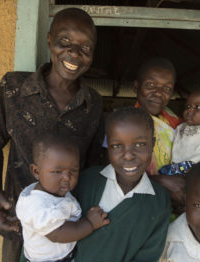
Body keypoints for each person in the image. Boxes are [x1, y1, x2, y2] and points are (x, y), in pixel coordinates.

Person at [0, 8, 103, 262]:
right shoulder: (13, 87)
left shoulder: (93, 103)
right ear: (49, 40)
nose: (74, 54)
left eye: (85, 47)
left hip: (68, 231)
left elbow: (91, 166)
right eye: (64, 41)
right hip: (16, 223)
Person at [73, 107, 172, 262]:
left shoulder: (159, 201)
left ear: (152, 143)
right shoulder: (87, 181)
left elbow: (148, 256)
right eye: (117, 146)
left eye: (139, 145)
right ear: (107, 146)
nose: (128, 155)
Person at [16, 134, 109, 262]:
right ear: (36, 172)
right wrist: (90, 224)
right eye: (57, 172)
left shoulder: (52, 190)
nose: (66, 177)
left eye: (73, 171)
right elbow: (58, 234)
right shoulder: (39, 206)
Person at [133, 57, 185, 211]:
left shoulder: (177, 124)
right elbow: (112, 172)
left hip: (173, 205)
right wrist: (160, 181)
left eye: (166, 88)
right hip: (137, 203)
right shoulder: (122, 124)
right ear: (136, 87)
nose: (158, 93)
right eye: (150, 85)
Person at [159, 88, 200, 176]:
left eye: (197, 107)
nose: (189, 111)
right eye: (188, 106)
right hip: (175, 169)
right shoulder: (181, 127)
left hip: (196, 172)